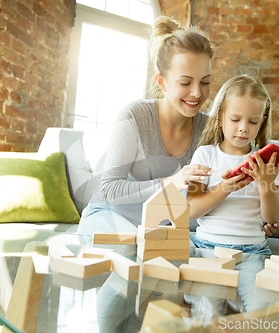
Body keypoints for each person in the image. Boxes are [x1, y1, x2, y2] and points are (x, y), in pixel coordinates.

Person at [77, 16, 215, 237]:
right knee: (133, 251)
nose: (197, 93)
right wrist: (171, 182)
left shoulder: (209, 129)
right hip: (112, 217)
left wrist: (257, 219)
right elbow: (110, 190)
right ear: (161, 82)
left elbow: (216, 191)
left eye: (205, 82)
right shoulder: (136, 116)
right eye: (185, 83)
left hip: (163, 226)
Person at [186, 74, 279, 312]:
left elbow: (271, 219)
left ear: (262, 121)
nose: (243, 128)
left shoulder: (266, 162)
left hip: (252, 252)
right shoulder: (205, 155)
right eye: (235, 119)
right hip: (208, 249)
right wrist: (224, 188)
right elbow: (192, 210)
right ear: (219, 117)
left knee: (261, 311)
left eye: (252, 121)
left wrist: (265, 185)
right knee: (206, 313)